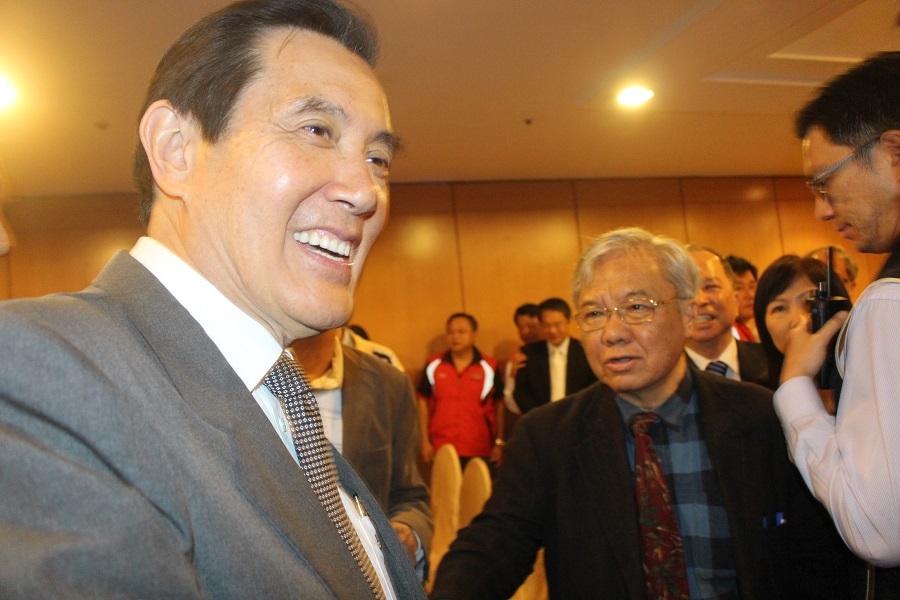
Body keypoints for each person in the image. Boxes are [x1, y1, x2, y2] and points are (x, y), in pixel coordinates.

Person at [0, 1, 425, 598]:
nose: (366, 191)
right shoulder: (36, 371)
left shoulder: (282, 398)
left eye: (377, 158)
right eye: (316, 131)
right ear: (175, 148)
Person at [432, 227, 835, 599]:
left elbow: (816, 560)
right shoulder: (548, 436)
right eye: (594, 314)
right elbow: (494, 546)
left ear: (688, 315)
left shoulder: (761, 417)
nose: (612, 333)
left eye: (637, 306)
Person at [776, 51, 900, 571]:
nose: (821, 209)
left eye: (824, 182)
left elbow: (878, 530)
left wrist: (795, 390)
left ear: (893, 152)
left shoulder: (888, 301)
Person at [290, 329, 432, 575]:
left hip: (363, 575)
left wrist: (408, 534)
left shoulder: (388, 384)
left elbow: (410, 495)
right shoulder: (235, 379)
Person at [417, 313, 504, 469]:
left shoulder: (489, 366)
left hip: (479, 446)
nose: (455, 337)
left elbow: (500, 405)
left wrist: (499, 442)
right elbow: (422, 401)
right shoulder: (433, 365)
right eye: (450, 332)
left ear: (473, 335)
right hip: (441, 445)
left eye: (461, 332)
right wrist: (424, 441)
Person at [685, 246, 769, 386]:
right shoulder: (660, 381)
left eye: (710, 287)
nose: (699, 300)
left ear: (735, 300)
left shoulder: (772, 362)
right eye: (686, 291)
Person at [512, 297, 596, 413]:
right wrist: (540, 417)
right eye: (547, 325)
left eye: (558, 324)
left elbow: (594, 389)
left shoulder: (586, 351)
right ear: (540, 324)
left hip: (580, 417)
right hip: (541, 419)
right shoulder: (529, 353)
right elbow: (521, 393)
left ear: (568, 321)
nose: (552, 330)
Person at [501, 303, 541, 416]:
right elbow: (511, 403)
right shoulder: (517, 358)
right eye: (520, 327)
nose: (525, 332)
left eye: (531, 326)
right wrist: (512, 377)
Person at [725, 254, 759, 341]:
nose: (750, 295)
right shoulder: (728, 334)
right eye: (738, 288)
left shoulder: (754, 330)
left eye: (752, 287)